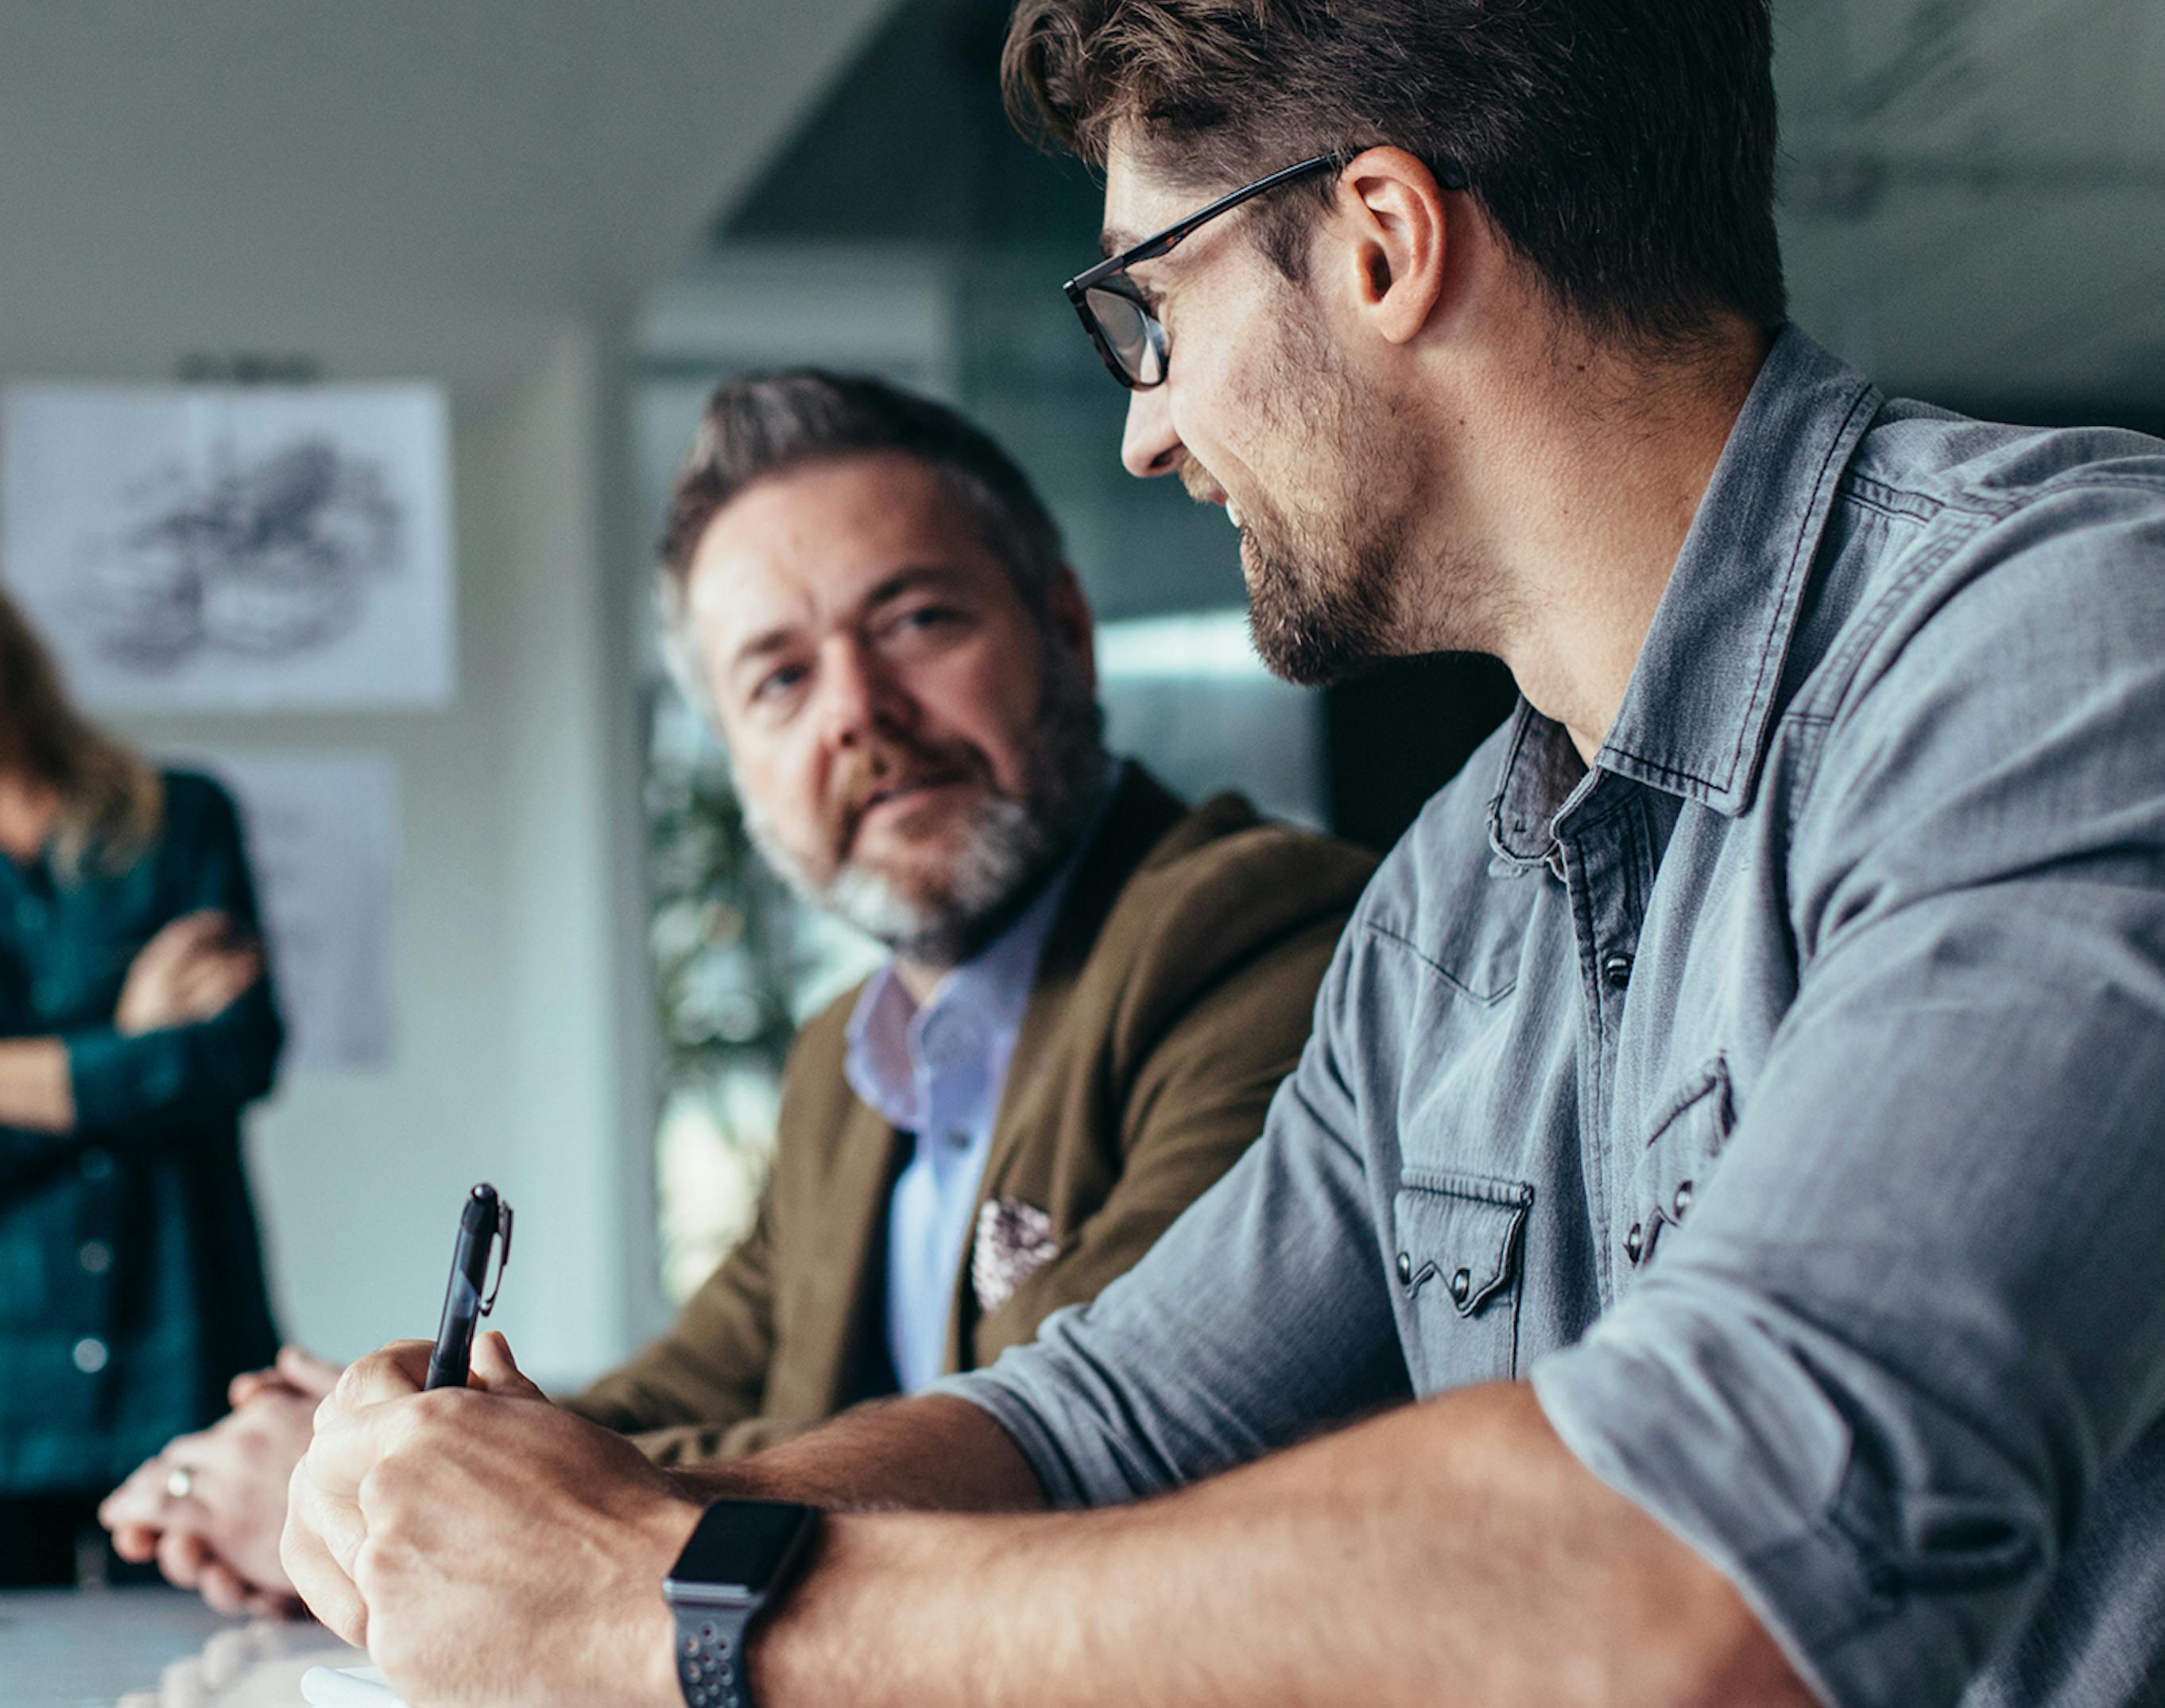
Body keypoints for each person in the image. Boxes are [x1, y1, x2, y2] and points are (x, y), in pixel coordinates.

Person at [277, 0, 2165, 1708]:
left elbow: (1705, 1581)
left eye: (1149, 315)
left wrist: (685, 1604)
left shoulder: (2093, 641)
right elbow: (1100, 1423)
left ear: (1380, 239)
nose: (1143, 423)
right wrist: (563, 1538)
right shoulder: (1462, 895)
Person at [103, 369, 1372, 1612]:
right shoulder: (846, 1060)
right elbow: (664, 1396)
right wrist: (377, 1457)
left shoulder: (1249, 932)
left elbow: (1070, 1429)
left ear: (1067, 627)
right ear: (738, 758)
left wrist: (440, 1507)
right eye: (779, 678)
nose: (860, 715)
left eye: (918, 620)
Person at [0, 589, 282, 1588]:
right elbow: (175, 1065)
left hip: (186, 1344)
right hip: (11, 1394)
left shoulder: (183, 817)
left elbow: (239, 1054)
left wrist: (31, 1077)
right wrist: (130, 1037)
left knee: (219, 1693)